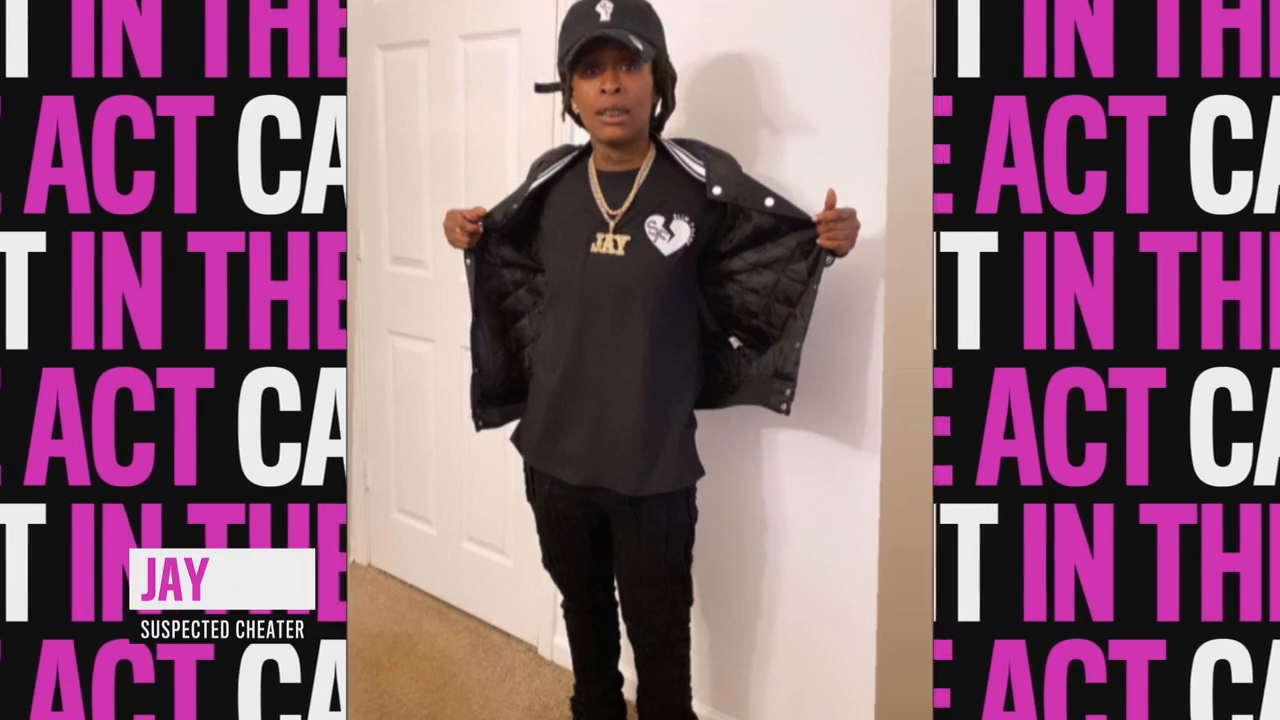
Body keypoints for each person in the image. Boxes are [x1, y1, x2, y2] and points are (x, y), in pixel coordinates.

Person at [441, 1, 860, 717]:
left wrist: (826, 241)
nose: (611, 84)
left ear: (658, 81)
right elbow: (502, 252)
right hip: (553, 458)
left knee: (660, 637)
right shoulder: (549, 181)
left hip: (654, 468)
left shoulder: (701, 181)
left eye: (628, 65)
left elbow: (766, 256)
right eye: (591, 70)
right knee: (584, 615)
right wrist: (462, 231)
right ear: (571, 92)